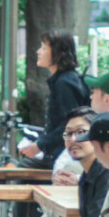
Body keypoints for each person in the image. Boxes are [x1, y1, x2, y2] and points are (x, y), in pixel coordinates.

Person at [20, 32, 90, 164]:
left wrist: (39, 146)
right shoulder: (66, 80)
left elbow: (69, 124)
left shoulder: (65, 83)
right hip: (62, 153)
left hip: (66, 156)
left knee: (22, 168)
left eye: (44, 48)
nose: (38, 52)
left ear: (58, 53)